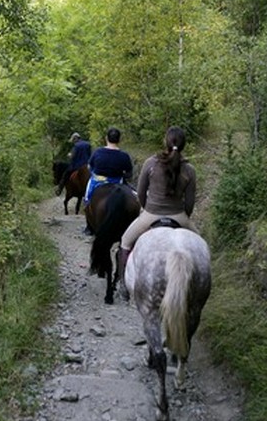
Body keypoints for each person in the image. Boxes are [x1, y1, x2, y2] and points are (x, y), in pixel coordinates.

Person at [118, 126, 197, 299]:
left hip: (151, 214)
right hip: (179, 216)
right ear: (184, 145)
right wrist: (185, 219)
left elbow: (140, 192)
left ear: (165, 142)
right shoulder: (189, 169)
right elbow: (190, 203)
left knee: (125, 241)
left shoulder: (151, 163)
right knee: (202, 247)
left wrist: (146, 208)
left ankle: (123, 284)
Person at [81, 127, 134, 234]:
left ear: (106, 138)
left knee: (87, 198)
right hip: (117, 181)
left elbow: (89, 167)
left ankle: (89, 226)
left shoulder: (98, 152)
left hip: (97, 180)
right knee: (133, 197)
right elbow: (129, 173)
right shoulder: (124, 156)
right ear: (120, 140)